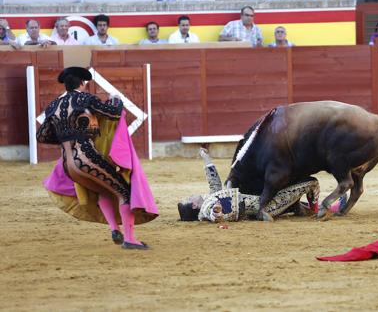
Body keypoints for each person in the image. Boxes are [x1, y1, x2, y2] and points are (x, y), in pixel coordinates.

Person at [37, 67, 157, 250]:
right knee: (124, 191)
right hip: (87, 158)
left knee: (104, 190)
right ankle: (130, 239)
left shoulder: (53, 106)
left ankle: (115, 229)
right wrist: (116, 100)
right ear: (82, 83)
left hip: (68, 165)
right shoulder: (85, 99)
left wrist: (65, 136)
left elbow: (42, 136)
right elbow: (113, 112)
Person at [177, 149, 346, 222]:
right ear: (193, 205)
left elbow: (214, 183)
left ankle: (321, 208)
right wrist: (216, 212)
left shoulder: (209, 199)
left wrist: (206, 159)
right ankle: (317, 209)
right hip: (267, 206)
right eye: (189, 198)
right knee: (311, 182)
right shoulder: (207, 208)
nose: (192, 195)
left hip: (259, 202)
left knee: (293, 202)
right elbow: (215, 215)